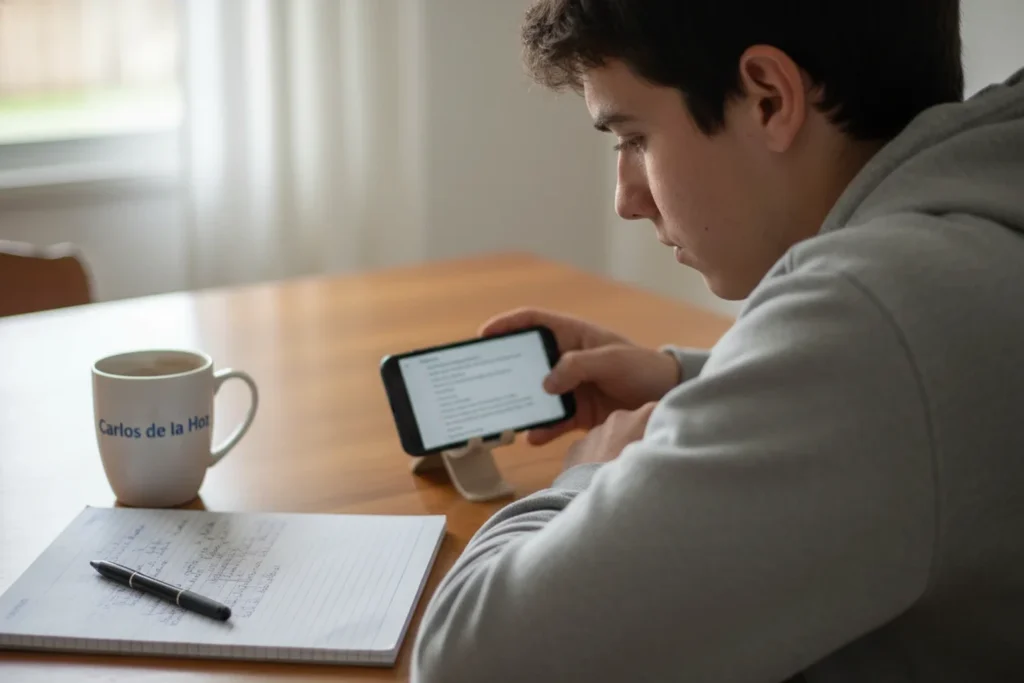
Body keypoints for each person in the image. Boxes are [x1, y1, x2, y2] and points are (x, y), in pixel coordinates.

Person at [411, 1, 1024, 681]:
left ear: (768, 99)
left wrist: (591, 475)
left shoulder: (873, 314)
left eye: (635, 138)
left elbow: (467, 662)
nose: (626, 199)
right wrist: (693, 385)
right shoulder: (978, 217)